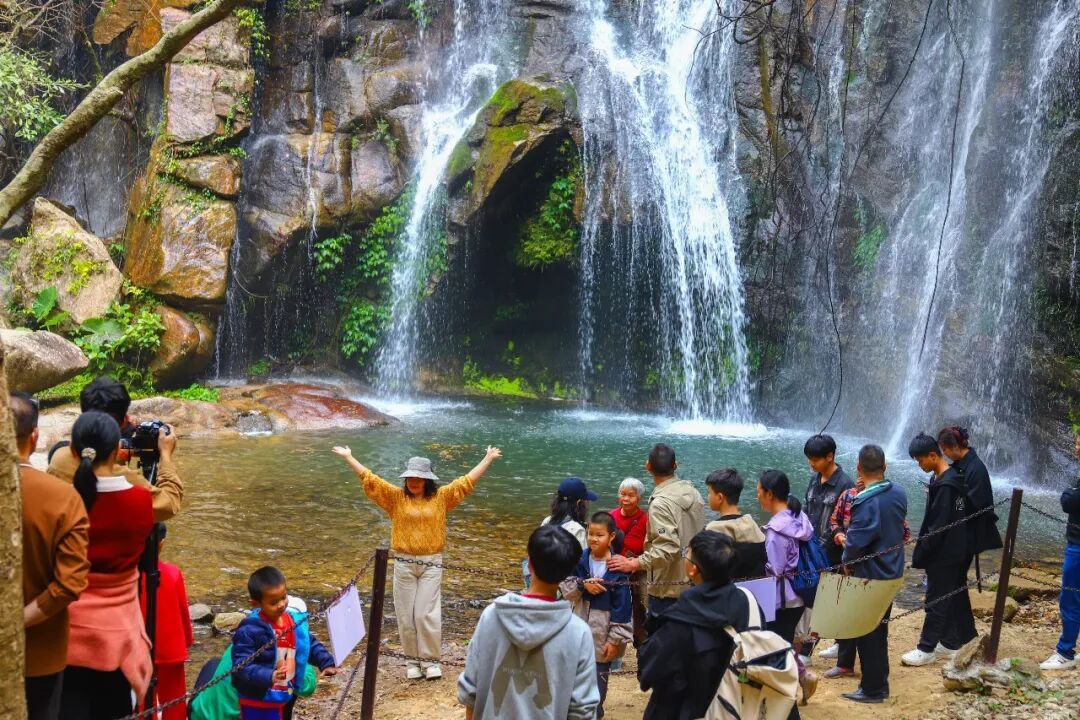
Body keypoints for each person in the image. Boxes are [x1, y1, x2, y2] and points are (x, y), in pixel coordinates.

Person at [332, 444, 501, 679]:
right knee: (405, 615)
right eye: (410, 477)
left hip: (431, 563)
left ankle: (430, 662)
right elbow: (370, 479)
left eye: (419, 478)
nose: (413, 482)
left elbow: (466, 482)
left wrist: (487, 459)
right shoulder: (396, 498)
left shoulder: (442, 498)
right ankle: (412, 661)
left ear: (427, 480)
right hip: (403, 563)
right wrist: (349, 457)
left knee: (425, 614)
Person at [58, 411, 155, 720]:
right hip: (118, 636)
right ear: (117, 451)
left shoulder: (60, 502)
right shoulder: (140, 501)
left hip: (64, 632)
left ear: (73, 452)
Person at [457, 524, 600, 720]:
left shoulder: (492, 616)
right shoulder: (578, 632)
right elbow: (582, 709)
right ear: (568, 573)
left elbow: (471, 690)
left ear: (530, 564)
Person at [13, 392, 90, 720]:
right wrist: (15, 621)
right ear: (34, 437)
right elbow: (68, 585)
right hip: (39, 656)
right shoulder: (63, 498)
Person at [637, 530, 753, 720]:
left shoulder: (681, 619)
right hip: (735, 707)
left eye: (686, 554)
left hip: (682, 710)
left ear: (693, 570)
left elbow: (649, 672)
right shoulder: (749, 603)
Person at [47, 376, 183, 522]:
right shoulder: (126, 482)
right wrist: (166, 455)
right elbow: (169, 504)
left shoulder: (58, 459)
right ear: (124, 420)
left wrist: (117, 454)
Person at [840, 444, 908, 704]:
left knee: (867, 632)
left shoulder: (864, 501)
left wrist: (847, 563)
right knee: (880, 629)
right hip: (893, 568)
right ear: (885, 467)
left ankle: (873, 689)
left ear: (858, 468)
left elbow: (855, 543)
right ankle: (879, 682)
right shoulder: (899, 492)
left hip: (871, 574)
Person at [902, 433, 976, 667]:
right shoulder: (948, 478)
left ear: (933, 455)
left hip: (944, 553)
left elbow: (939, 526)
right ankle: (950, 643)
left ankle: (926, 648)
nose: (919, 465)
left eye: (920, 460)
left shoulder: (947, 486)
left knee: (936, 600)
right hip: (953, 550)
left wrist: (923, 551)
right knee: (947, 597)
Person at [608, 444, 705, 621]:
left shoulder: (660, 504)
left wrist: (634, 563)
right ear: (675, 465)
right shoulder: (694, 492)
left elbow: (666, 548)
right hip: (694, 580)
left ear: (648, 466)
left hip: (667, 589)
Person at [189, 597, 321, 720]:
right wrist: (303, 656)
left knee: (214, 664)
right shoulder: (289, 650)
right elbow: (307, 688)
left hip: (201, 715)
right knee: (291, 684)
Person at [232, 567, 337, 720]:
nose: (281, 604)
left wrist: (325, 662)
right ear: (255, 604)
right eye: (274, 602)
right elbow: (241, 666)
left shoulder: (292, 620)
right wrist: (269, 675)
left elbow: (308, 643)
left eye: (284, 597)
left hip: (285, 692)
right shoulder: (249, 630)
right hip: (259, 698)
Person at [560, 512, 633, 718]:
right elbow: (565, 588)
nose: (593, 539)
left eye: (599, 535)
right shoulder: (579, 560)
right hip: (575, 630)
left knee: (597, 685)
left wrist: (614, 640)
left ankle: (595, 713)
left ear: (611, 537)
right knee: (570, 680)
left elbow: (622, 609)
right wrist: (583, 586)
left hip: (602, 637)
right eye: (590, 534)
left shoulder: (617, 569)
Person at [758, 469, 817, 704]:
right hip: (801, 592)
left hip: (782, 598)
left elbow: (775, 569)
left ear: (770, 494)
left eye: (759, 491)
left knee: (774, 644)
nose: (757, 496)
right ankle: (802, 677)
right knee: (784, 642)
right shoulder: (799, 517)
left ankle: (783, 695)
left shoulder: (775, 531)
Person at [139, 525, 194, 720]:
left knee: (142, 700)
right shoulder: (173, 573)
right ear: (161, 543)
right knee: (174, 699)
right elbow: (183, 611)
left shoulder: (130, 576)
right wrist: (187, 639)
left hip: (140, 648)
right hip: (171, 648)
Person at [937, 426, 1003, 583]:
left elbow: (973, 505)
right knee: (954, 577)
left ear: (955, 446)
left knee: (955, 577)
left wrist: (949, 497)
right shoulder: (960, 464)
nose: (944, 454)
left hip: (970, 532)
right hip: (961, 531)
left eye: (945, 450)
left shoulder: (976, 469)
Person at [1041, 430, 1080, 671]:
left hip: (1078, 545)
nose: (1077, 448)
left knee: (1070, 597)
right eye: (1076, 443)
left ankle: (1065, 653)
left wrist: (1068, 493)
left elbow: (1069, 501)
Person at [704, 467, 767, 579]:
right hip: (755, 587)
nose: (707, 496)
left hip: (725, 588)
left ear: (720, 497)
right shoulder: (752, 525)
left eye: (709, 492)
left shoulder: (711, 530)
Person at [802, 434, 854, 568]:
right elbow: (805, 508)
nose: (811, 463)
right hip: (809, 549)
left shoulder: (846, 485)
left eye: (815, 460)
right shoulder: (814, 479)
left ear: (829, 457)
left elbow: (847, 524)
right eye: (809, 459)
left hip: (831, 557)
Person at [610, 477, 648, 647]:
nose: (625, 499)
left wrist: (635, 562)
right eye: (622, 494)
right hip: (612, 575)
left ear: (639, 498)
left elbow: (650, 548)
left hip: (635, 575)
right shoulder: (611, 516)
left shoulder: (646, 520)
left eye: (630, 495)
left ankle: (641, 646)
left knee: (639, 615)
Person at [542, 477, 597, 551]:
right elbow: (582, 556)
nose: (586, 503)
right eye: (585, 500)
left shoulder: (547, 521)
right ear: (578, 502)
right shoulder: (578, 529)